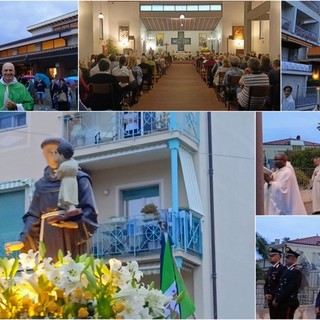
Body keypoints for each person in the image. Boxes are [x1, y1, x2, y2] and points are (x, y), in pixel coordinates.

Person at [5, 137, 98, 261]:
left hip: (71, 235)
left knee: (72, 270)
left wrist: (77, 224)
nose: (53, 155)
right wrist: (23, 241)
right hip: (48, 235)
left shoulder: (79, 178)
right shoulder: (41, 185)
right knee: (49, 271)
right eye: (48, 152)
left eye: (55, 151)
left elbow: (89, 209)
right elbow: (33, 215)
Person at [272, 247, 302, 319]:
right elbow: (280, 286)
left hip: (288, 302)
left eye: (288, 257)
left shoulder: (296, 272)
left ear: (294, 259)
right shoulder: (287, 270)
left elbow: (289, 289)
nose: (285, 259)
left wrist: (277, 300)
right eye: (286, 257)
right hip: (282, 303)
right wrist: (276, 298)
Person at [55, 141, 80, 216]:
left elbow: (59, 175)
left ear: (62, 155)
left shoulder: (63, 166)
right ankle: (69, 209)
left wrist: (57, 174)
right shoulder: (74, 163)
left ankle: (71, 208)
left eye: (58, 154)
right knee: (72, 195)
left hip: (66, 182)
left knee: (66, 195)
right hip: (73, 181)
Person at [264, 247, 287, 319]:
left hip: (278, 301)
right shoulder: (270, 269)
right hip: (270, 300)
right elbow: (267, 284)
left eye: (272, 255)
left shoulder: (282, 269)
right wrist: (266, 294)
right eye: (270, 256)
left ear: (278, 256)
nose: (270, 257)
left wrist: (277, 298)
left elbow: (282, 285)